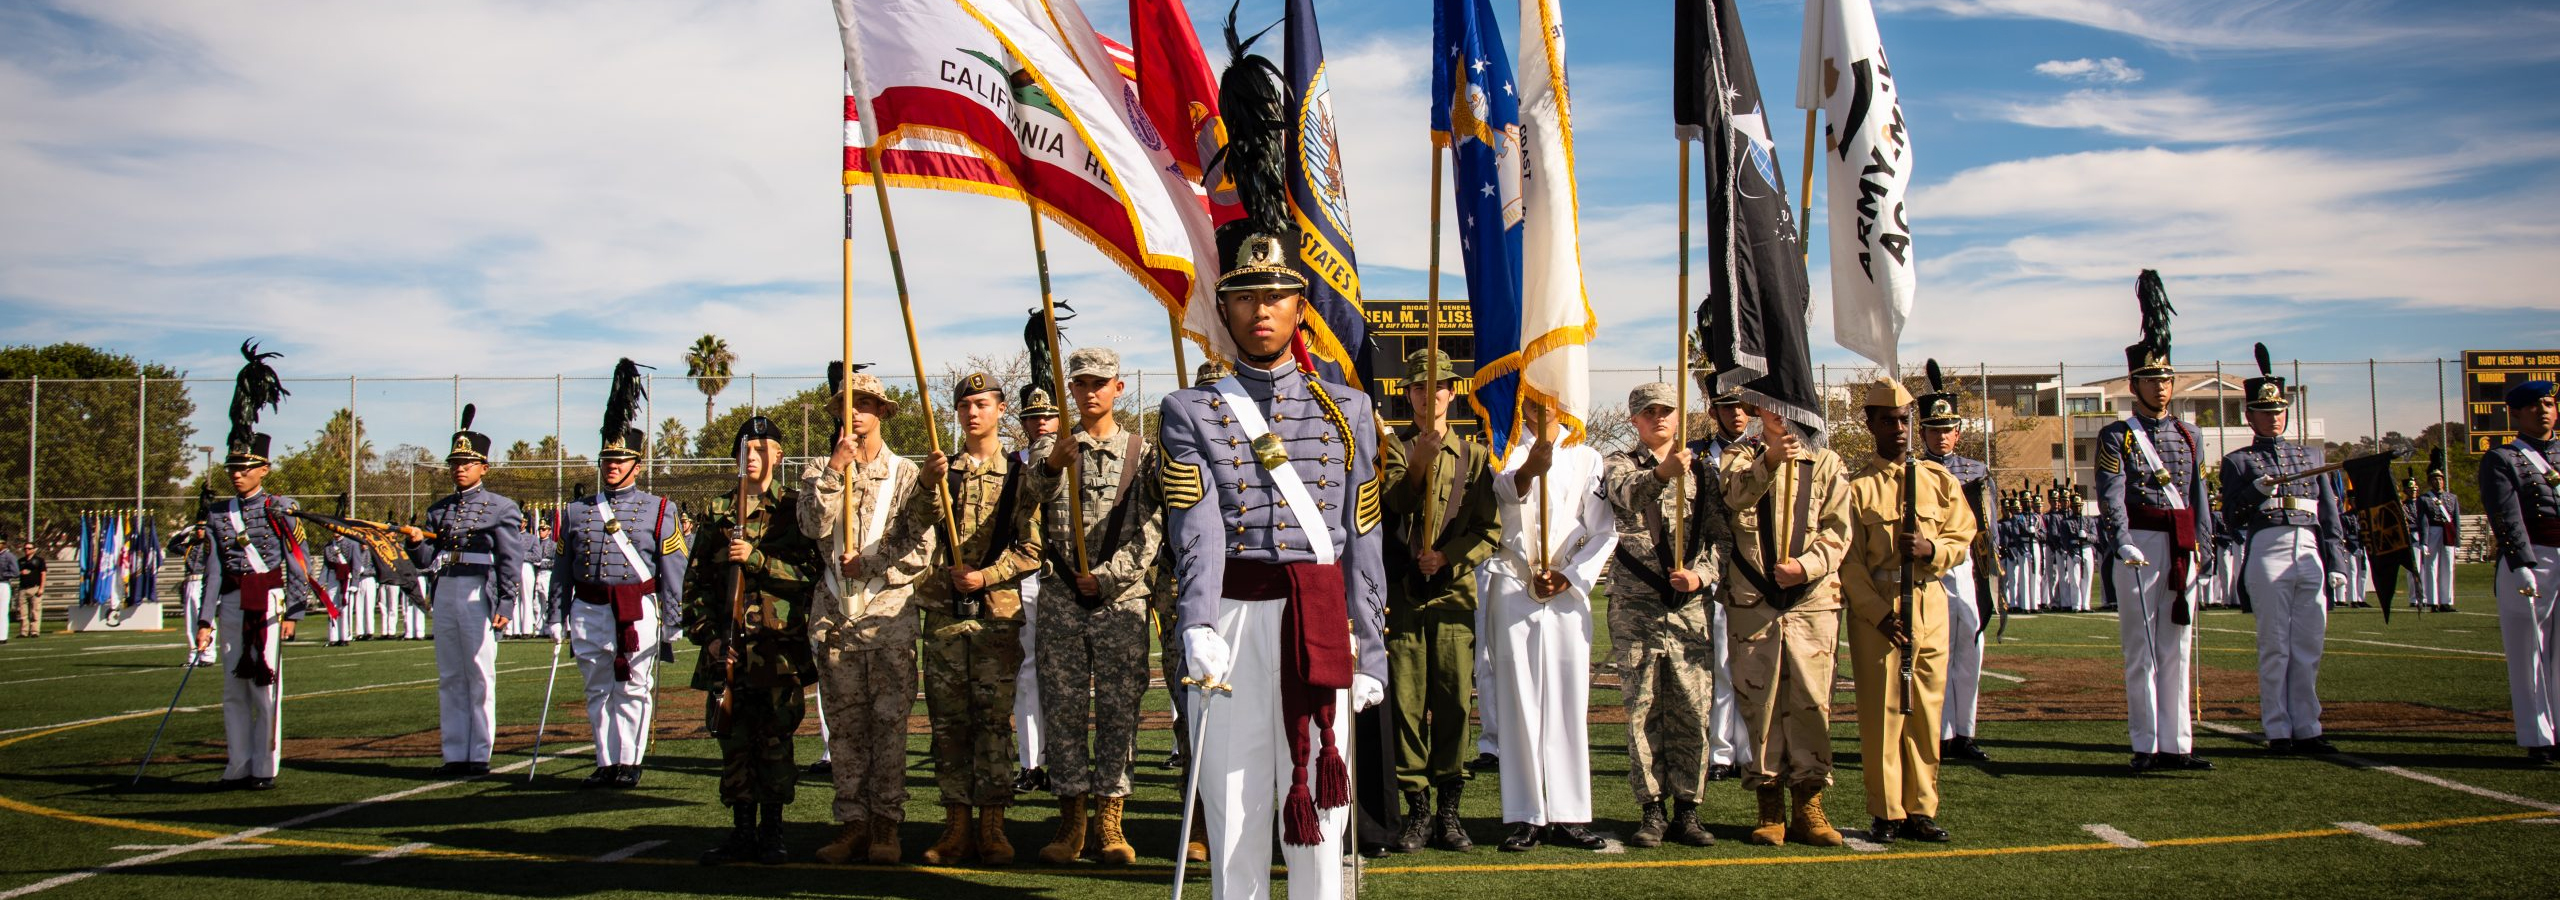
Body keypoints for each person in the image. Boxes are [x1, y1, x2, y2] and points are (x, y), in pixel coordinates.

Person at [1163, 229, 1386, 899]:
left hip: (1318, 617)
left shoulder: (1349, 409)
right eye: (1246, 299)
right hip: (1230, 614)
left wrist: (1371, 648)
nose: (1261, 311)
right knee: (1231, 793)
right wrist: (1196, 621)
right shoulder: (1189, 410)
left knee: (1323, 798)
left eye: (1276, 298)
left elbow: (1363, 534)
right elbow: (1195, 526)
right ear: (1226, 310)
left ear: (1298, 308)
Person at [1019, 351, 1158, 866]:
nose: (1090, 392)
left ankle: (1110, 819)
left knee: (1121, 711)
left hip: (1120, 600)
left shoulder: (1142, 453)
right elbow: (1023, 506)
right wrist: (1052, 467)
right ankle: (1071, 817)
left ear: (1119, 388)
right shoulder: (1048, 449)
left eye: (1100, 383)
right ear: (1070, 391)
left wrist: (1106, 578)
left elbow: (1153, 528)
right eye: (1080, 384)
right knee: (1064, 709)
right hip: (1061, 599)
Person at [802, 366, 935, 865]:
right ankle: (852, 824)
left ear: (881, 411)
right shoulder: (819, 468)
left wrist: (873, 564)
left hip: (887, 617)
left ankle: (886, 826)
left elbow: (921, 548)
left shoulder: (906, 474)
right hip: (836, 617)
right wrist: (836, 470)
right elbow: (812, 525)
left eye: (864, 405)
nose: (854, 413)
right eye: (845, 406)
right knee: (845, 730)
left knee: (889, 727)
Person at [912, 372, 1041, 867]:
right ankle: (955, 826)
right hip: (945, 612)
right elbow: (913, 524)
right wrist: (927, 485)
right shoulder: (944, 471)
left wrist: (988, 576)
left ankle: (993, 825)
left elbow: (1033, 547)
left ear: (1001, 409)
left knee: (992, 721)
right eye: (965, 404)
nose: (973, 412)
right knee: (948, 724)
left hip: (995, 614)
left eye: (982, 403)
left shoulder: (1019, 474)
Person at [1841, 376, 1978, 844]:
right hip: (1879, 610)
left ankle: (1921, 807)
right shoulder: (1856, 488)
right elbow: (1848, 559)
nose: (1899, 429)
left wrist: (1931, 548)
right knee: (1882, 713)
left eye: (1904, 420)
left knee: (1926, 711)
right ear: (1870, 424)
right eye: (1888, 421)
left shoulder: (1938, 481)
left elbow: (1963, 535)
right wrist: (1876, 612)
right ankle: (1886, 811)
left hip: (1929, 599)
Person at [1479, 401, 1616, 852]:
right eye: (1534, 392)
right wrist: (1530, 469)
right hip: (1514, 581)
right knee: (1518, 701)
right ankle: (1525, 814)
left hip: (1565, 587)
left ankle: (1571, 813)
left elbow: (1603, 531)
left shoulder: (1587, 456)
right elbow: (1502, 496)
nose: (1544, 403)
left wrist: (1573, 576)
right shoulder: (1500, 448)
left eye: (1553, 393)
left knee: (1567, 698)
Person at [688, 416, 823, 866]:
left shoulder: (793, 509)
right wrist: (708, 639)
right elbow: (697, 583)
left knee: (776, 743)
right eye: (745, 448)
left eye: (761, 447)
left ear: (778, 456)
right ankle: (741, 831)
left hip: (776, 650)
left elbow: (810, 579)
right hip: (729, 649)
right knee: (734, 744)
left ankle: (773, 832)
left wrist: (760, 559)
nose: (751, 454)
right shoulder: (717, 510)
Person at [1601, 381, 1730, 849]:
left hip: (1689, 609)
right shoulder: (1620, 464)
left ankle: (1688, 809)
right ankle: (1651, 809)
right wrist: (1660, 475)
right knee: (1642, 710)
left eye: (1667, 411)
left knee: (1692, 710)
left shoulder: (1704, 474)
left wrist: (1702, 575)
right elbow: (1626, 497)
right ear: (1634, 419)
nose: (1659, 418)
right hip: (1637, 608)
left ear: (1680, 418)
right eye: (1649, 412)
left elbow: (1721, 537)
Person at [2096, 271, 2216, 775]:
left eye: (2166, 379)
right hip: (2141, 545)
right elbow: (2111, 494)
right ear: (2134, 384)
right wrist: (2121, 540)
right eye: (2152, 380)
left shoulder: (2190, 435)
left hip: (2182, 544)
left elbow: (2198, 495)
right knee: (2141, 650)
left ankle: (2179, 745)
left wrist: (2205, 543)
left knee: (2177, 648)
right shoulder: (2117, 435)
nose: (2161, 388)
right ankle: (2145, 743)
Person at [547, 360, 687, 789]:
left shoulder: (660, 509)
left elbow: (672, 569)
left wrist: (673, 618)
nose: (612, 465)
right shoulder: (575, 512)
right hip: (588, 608)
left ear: (636, 464)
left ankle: (630, 760)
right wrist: (556, 615)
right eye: (607, 458)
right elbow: (561, 570)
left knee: (633, 688)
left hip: (637, 610)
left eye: (620, 458)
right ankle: (605, 761)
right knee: (596, 690)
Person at [1381, 349, 1499, 853]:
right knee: (1406, 704)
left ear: (1454, 393)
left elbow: (1487, 530)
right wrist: (1416, 468)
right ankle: (1417, 809)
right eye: (1419, 388)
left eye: (1439, 387)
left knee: (1452, 703)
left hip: (1451, 597)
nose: (1429, 396)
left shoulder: (1474, 456)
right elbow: (1385, 510)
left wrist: (1448, 557)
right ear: (1408, 394)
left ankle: (1450, 809)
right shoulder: (1390, 448)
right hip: (1404, 596)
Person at [1721, 401, 1851, 847]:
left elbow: (1838, 530)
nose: (1779, 415)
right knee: (1760, 703)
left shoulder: (1828, 461)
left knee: (1813, 701)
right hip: (1753, 603)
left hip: (1811, 603)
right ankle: (1769, 803)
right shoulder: (1740, 455)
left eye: (1786, 406)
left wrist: (1808, 565)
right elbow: (1734, 497)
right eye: (1770, 407)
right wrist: (1770, 460)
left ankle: (1809, 804)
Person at [190, 342, 308, 790]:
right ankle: (236, 763)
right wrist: (205, 618)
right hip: (233, 604)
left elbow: (298, 560)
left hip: (271, 601)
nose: (236, 474)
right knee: (232, 689)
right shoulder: (220, 513)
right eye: (232, 468)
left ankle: (264, 765)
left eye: (245, 468)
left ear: (264, 469)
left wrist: (295, 611)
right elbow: (217, 569)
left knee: (264, 687)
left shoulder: (281, 507)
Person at [2220, 346, 2349, 754]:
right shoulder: (2239, 462)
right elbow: (2233, 517)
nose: (2273, 416)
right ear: (2249, 416)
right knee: (2275, 644)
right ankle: (2277, 726)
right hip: (2269, 546)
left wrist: (2337, 561)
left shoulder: (2311, 456)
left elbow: (2329, 515)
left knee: (2309, 644)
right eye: (2263, 410)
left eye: (2278, 410)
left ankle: (2308, 725)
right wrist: (2254, 492)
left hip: (2308, 546)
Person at [403, 406, 527, 777]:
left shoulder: (500, 508)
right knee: (450, 675)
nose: (460, 468)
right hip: (445, 589)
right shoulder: (439, 510)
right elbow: (428, 559)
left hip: (478, 591)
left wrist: (507, 599)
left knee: (478, 672)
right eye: (456, 462)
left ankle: (479, 753)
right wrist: (413, 543)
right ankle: (454, 752)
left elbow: (510, 558)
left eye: (468, 462)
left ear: (484, 467)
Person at [1915, 373, 1999, 762]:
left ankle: (1965, 730)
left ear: (1958, 432)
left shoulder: (1976, 472)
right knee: (1938, 653)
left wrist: (1991, 573)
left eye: (1947, 430)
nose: (1941, 437)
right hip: (1932, 567)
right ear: (1923, 433)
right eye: (1934, 430)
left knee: (1971, 650)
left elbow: (1989, 527)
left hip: (1968, 569)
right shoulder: (1914, 471)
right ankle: (1941, 731)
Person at [2478, 379, 2560, 764]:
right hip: (2531, 560)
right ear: (2516, 413)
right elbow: (2506, 517)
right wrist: (2522, 563)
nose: (2543, 410)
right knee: (2529, 652)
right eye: (2534, 405)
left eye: (2548, 403)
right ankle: (2537, 735)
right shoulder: (2503, 458)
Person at [1697, 392, 1755, 782]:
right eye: (1727, 407)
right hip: (1716, 568)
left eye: (1741, 406)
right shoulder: (1698, 455)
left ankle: (1750, 751)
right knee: (1720, 664)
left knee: (1752, 665)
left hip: (1755, 570)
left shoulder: (1765, 450)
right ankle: (1720, 751)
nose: (1735, 414)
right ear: (1714, 411)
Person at [1010, 384, 1061, 792]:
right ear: (1024, 423)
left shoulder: (1076, 457)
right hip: (1026, 574)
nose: (1041, 421)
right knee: (1027, 671)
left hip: (1066, 578)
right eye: (1034, 416)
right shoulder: (1013, 465)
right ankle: (1032, 762)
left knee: (1066, 674)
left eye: (1048, 415)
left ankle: (1064, 759)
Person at [2416, 455, 2462, 612]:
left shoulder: (2452, 498)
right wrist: (2424, 541)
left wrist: (2458, 542)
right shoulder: (2424, 499)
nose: (2438, 482)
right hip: (2433, 531)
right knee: (2431, 566)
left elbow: (2456, 521)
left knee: (2448, 567)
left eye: (2440, 479)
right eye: (2434, 479)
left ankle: (2446, 601)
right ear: (2430, 482)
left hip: (2448, 533)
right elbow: (2423, 521)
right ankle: (2432, 601)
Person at [17, 541, 46, 638]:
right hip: (23, 588)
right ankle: (24, 631)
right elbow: (15, 571)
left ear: (33, 550)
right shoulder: (21, 561)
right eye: (25, 548)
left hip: (35, 587)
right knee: (22, 612)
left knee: (35, 610)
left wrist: (41, 588)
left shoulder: (39, 560)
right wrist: (21, 572)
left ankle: (34, 631)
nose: (27, 550)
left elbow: (43, 574)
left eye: (29, 548)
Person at [0, 539, 17, 644]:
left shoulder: (9, 556)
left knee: (2, 611)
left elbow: (15, 572)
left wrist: (3, 575)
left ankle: (2, 636)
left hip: (3, 584)